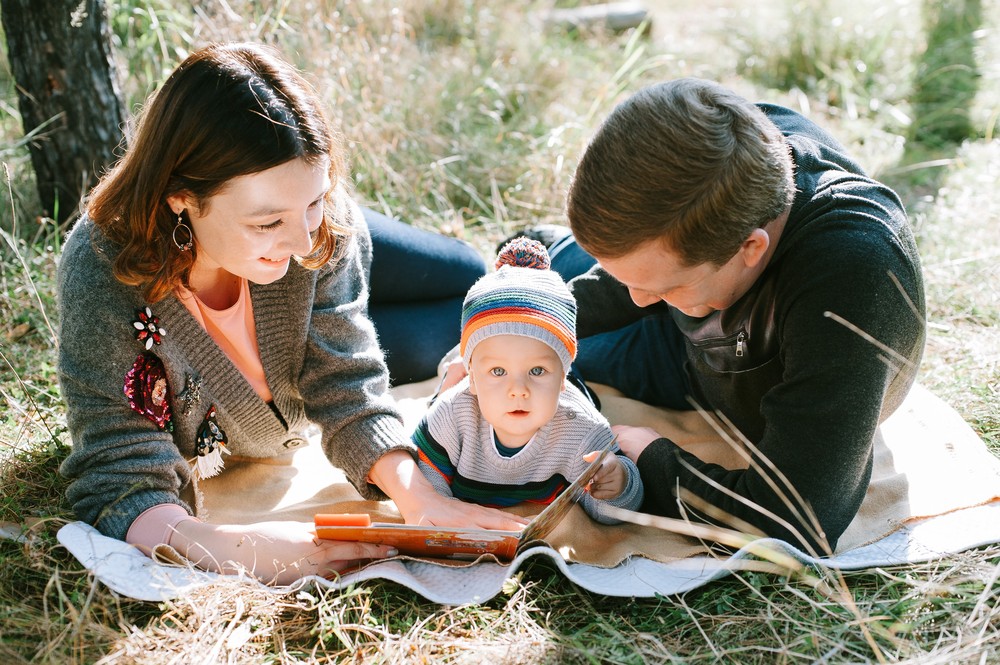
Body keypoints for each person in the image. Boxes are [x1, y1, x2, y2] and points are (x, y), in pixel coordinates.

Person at [56, 42, 525, 586]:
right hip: (289, 341)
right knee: (449, 335)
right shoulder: (103, 269)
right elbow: (117, 466)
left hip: (337, 276)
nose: (303, 240)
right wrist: (233, 546)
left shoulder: (318, 232)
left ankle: (547, 251)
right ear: (180, 196)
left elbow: (345, 380)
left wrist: (419, 498)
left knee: (478, 283)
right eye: (267, 221)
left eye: (314, 200)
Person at [546, 78, 926, 554]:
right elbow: (634, 284)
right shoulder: (736, 148)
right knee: (532, 303)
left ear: (750, 247)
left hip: (716, 370)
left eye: (665, 285)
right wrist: (529, 322)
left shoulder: (852, 280)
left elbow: (795, 521)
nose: (639, 300)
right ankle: (548, 251)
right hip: (691, 335)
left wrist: (652, 458)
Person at [413, 238, 644, 522]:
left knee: (577, 390)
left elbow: (610, 514)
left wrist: (618, 484)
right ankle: (456, 370)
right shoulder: (451, 417)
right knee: (444, 399)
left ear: (562, 378)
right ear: (473, 378)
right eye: (498, 372)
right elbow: (425, 484)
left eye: (536, 371)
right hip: (468, 389)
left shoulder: (582, 431)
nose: (518, 391)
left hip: (566, 397)